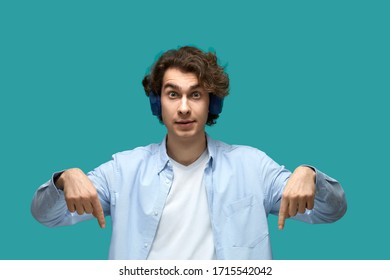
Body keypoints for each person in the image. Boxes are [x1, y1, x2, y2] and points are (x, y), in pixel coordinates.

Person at [31, 46, 347, 260]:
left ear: (213, 103)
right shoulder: (123, 171)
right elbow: (48, 216)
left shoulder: (253, 167)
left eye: (195, 94)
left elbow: (330, 211)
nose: (184, 107)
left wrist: (311, 176)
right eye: (172, 94)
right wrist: (63, 180)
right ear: (158, 103)